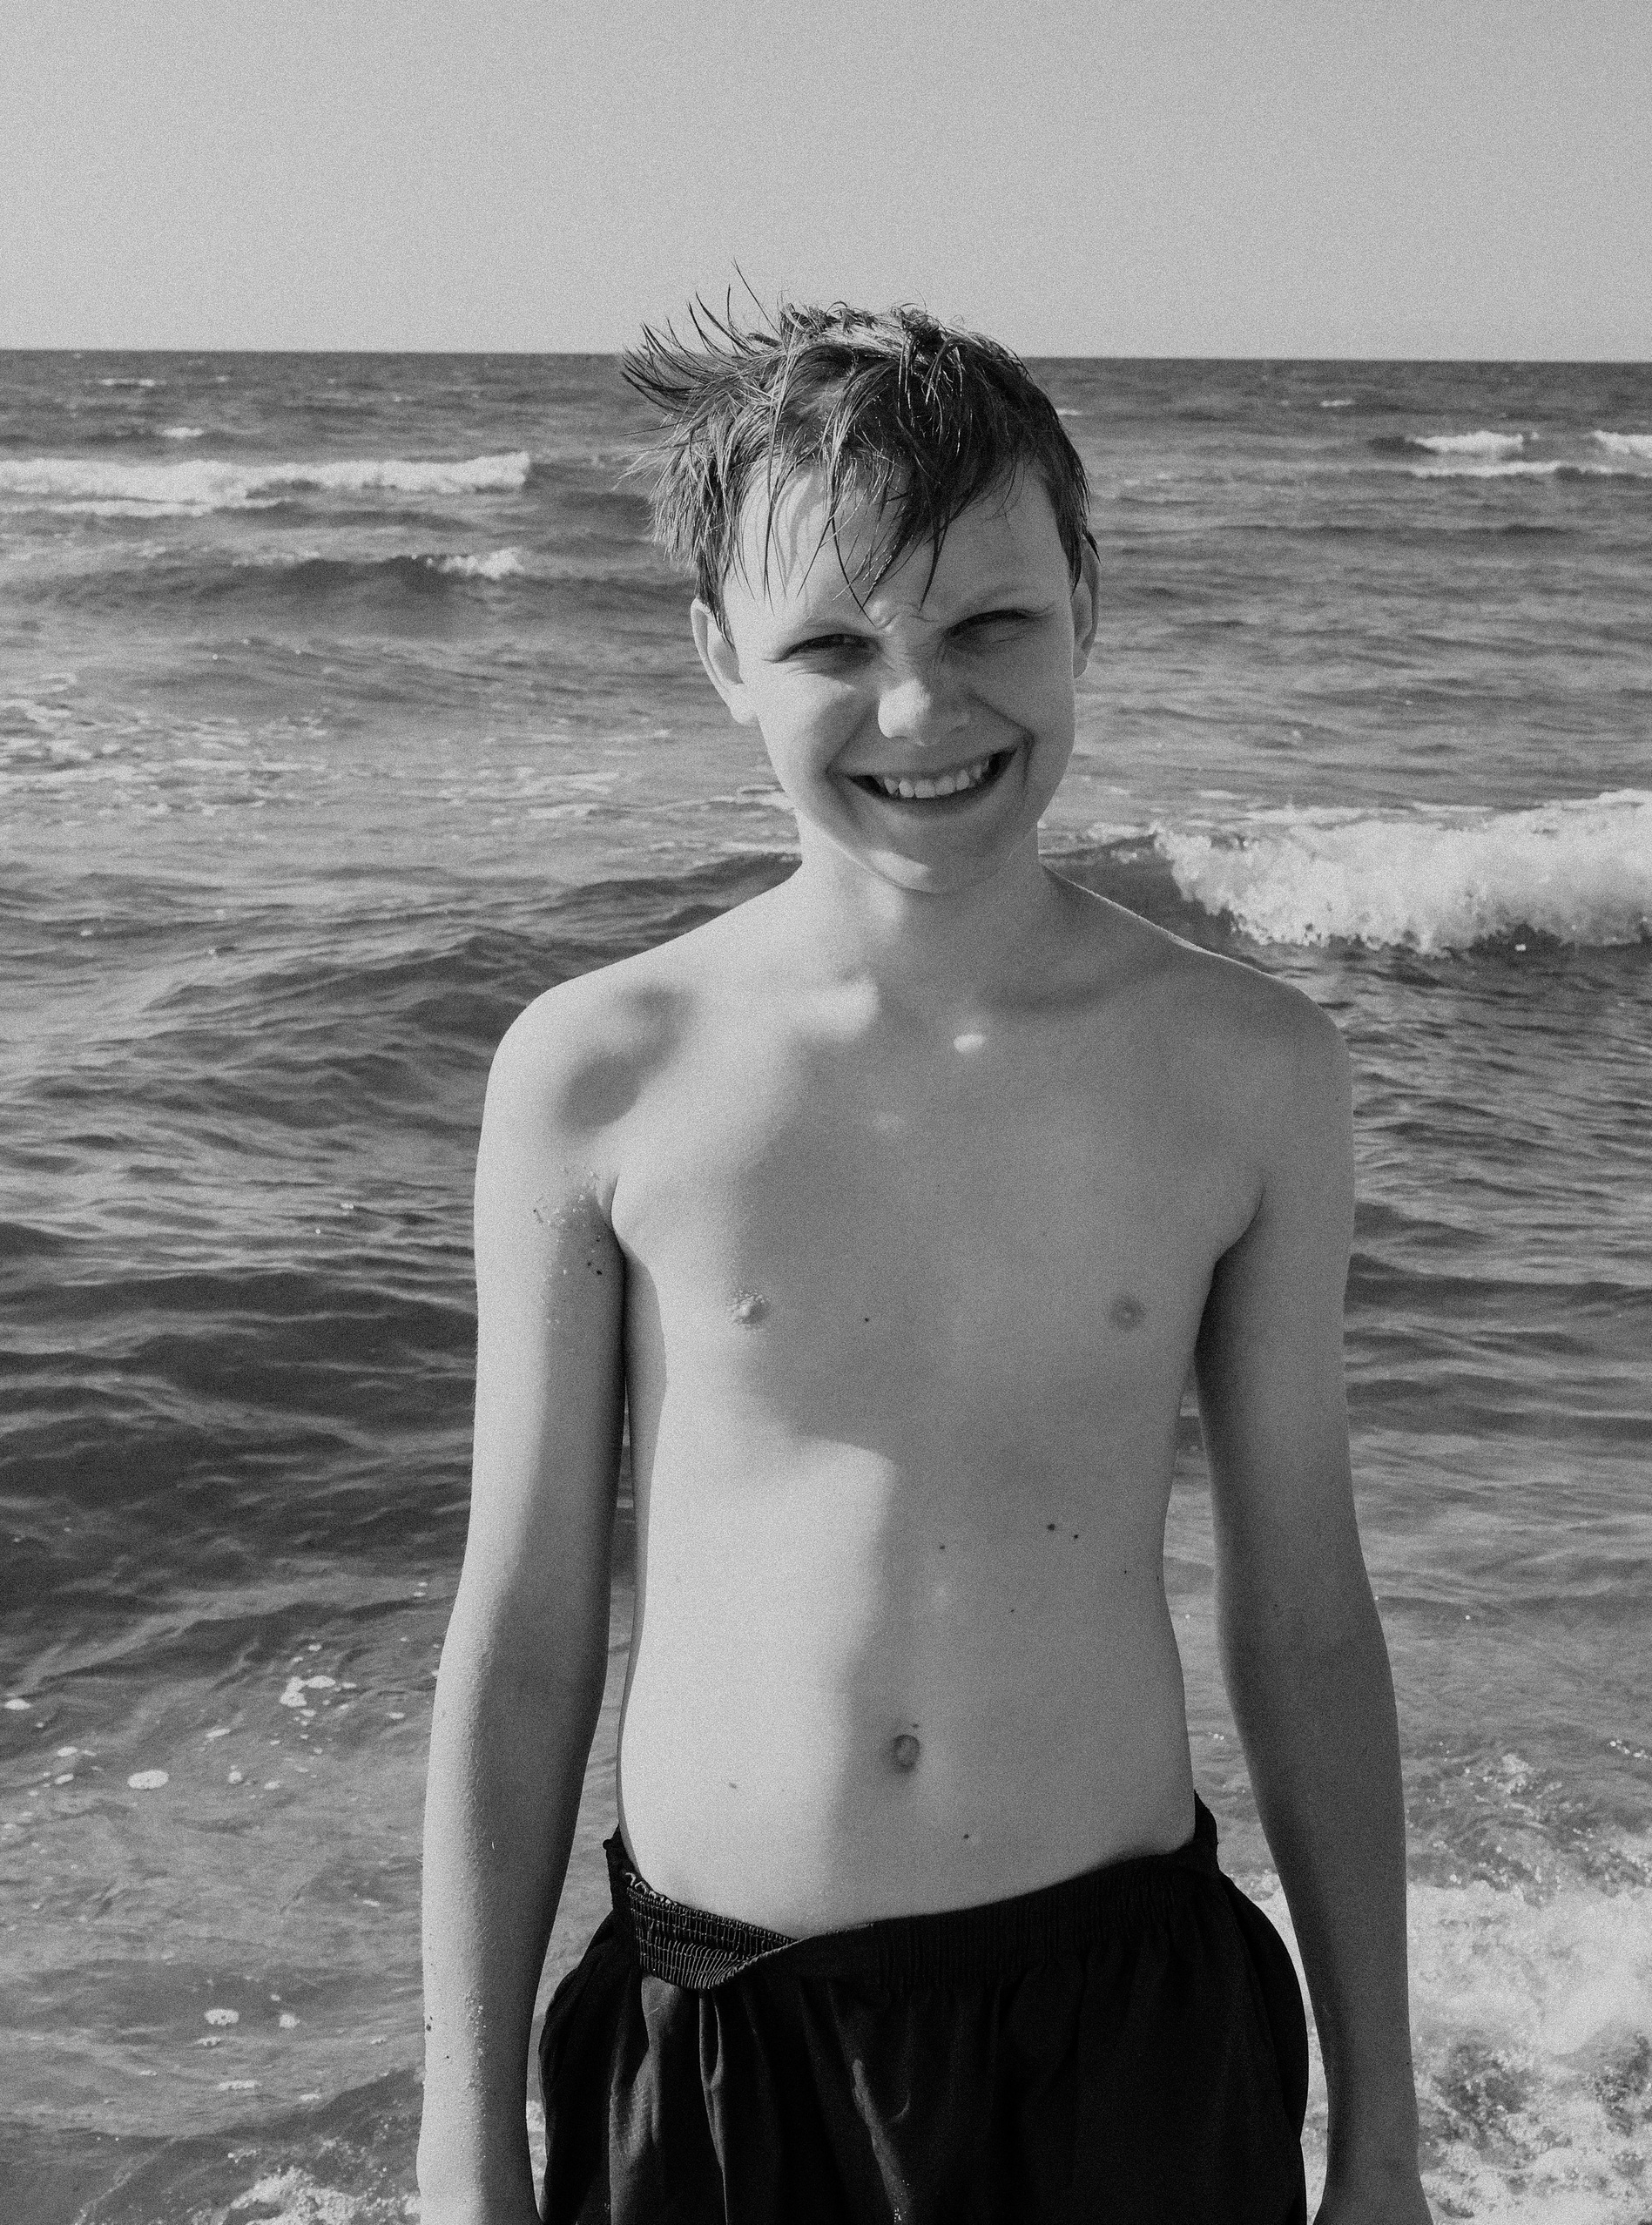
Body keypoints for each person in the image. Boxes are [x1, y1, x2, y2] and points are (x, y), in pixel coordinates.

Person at [417, 302, 1431, 2224]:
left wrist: (1383, 2133)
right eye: (831, 646)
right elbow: (526, 1627)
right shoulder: (600, 1071)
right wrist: (464, 2137)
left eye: (989, 626)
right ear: (720, 655)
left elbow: (1305, 1611)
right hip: (718, 2041)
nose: (918, 711)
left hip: (1123, 2034)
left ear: (1086, 605)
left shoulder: (1248, 1071)